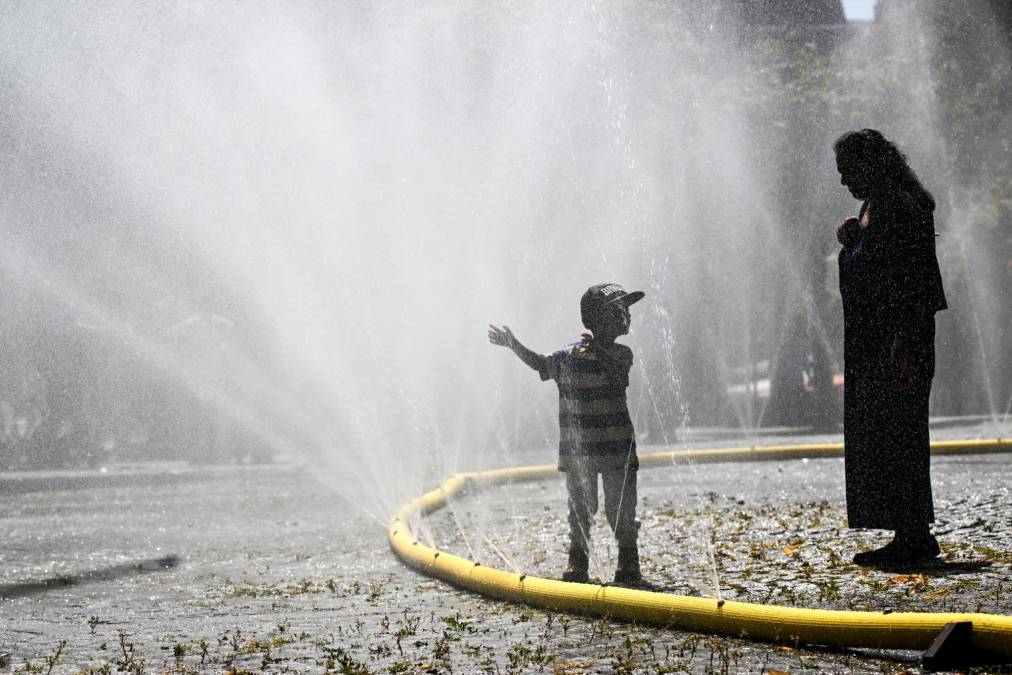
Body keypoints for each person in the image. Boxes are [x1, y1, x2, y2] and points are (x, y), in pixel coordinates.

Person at [834, 129, 947, 567]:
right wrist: (854, 238)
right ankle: (906, 530)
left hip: (899, 341)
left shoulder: (903, 206)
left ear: (872, 164)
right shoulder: (876, 207)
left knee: (902, 434)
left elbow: (913, 278)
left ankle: (915, 535)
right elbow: (877, 261)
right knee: (884, 434)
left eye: (849, 170)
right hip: (873, 342)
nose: (844, 180)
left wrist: (903, 340)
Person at [489, 283, 644, 584]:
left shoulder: (622, 354)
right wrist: (514, 344)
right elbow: (541, 364)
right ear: (601, 318)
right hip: (580, 452)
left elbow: (617, 374)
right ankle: (578, 559)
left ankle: (628, 559)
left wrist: (596, 347)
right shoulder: (569, 356)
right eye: (620, 309)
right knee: (581, 509)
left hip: (617, 450)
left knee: (621, 508)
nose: (627, 315)